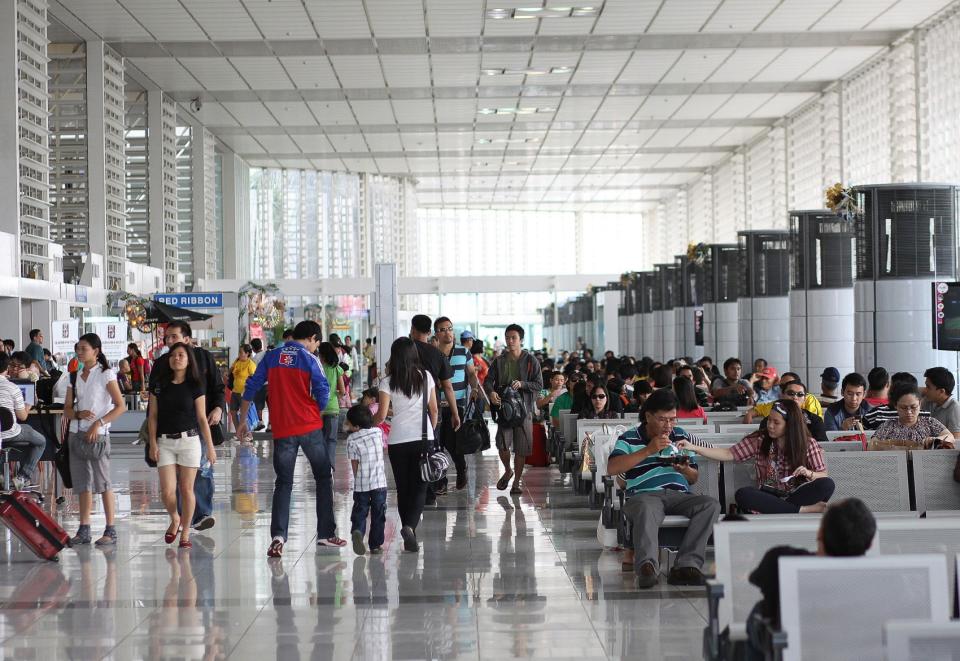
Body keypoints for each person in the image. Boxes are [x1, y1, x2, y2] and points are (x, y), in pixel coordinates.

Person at [237, 320, 340, 558]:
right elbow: (323, 390)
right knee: (323, 476)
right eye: (317, 343)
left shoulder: (272, 356)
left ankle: (278, 537)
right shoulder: (309, 358)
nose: (316, 348)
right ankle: (325, 533)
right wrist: (315, 410)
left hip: (282, 429)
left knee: (284, 482)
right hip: (309, 426)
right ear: (313, 338)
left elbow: (251, 387)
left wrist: (243, 420)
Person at [608, 389, 721, 588]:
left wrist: (685, 469)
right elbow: (613, 468)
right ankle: (647, 566)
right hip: (644, 496)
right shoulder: (629, 438)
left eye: (673, 419)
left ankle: (686, 566)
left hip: (678, 495)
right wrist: (649, 450)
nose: (669, 426)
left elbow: (694, 477)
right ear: (648, 416)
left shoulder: (680, 435)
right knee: (645, 507)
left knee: (710, 505)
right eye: (663, 419)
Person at [744, 498, 877, 661]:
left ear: (819, 533)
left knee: (760, 614)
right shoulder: (888, 582)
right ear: (870, 544)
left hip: (795, 650)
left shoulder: (782, 559)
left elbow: (756, 580)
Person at [682, 399, 834, 513]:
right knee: (743, 495)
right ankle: (803, 510)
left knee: (827, 484)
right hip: (768, 496)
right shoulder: (760, 440)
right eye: (769, 420)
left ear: (790, 425)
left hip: (797, 494)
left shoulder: (807, 444)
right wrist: (694, 447)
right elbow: (728, 453)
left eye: (776, 422)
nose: (770, 425)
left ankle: (789, 508)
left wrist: (809, 473)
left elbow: (823, 475)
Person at [150, 322, 225, 532]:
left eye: (174, 337)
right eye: (167, 338)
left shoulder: (204, 358)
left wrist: (218, 408)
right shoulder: (162, 364)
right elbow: (154, 402)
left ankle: (200, 514)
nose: (170, 342)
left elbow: (218, 388)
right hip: (168, 428)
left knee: (201, 471)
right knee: (171, 480)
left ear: (187, 338)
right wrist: (151, 437)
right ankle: (181, 516)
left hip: (200, 424)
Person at [372, 337, 438, 553]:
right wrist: (430, 431)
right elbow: (434, 410)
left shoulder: (387, 381)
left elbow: (381, 415)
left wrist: (366, 425)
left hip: (398, 440)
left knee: (403, 487)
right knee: (420, 485)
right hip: (423, 437)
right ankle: (410, 527)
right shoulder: (426, 377)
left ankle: (408, 528)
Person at [64, 333, 126, 546]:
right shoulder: (73, 375)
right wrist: (78, 414)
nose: (79, 353)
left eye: (84, 349)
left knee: (103, 482)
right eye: (78, 349)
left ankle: (111, 529)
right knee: (82, 484)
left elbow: (120, 406)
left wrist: (98, 423)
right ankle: (84, 528)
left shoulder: (106, 374)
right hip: (76, 434)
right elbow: (67, 410)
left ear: (96, 351)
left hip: (98, 436)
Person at [485, 324, 543, 495]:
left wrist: (523, 384)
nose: (510, 341)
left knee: (521, 448)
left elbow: (539, 384)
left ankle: (516, 482)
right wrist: (491, 392)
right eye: (507, 337)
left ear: (521, 340)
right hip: (504, 410)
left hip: (524, 411)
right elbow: (488, 380)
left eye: (514, 338)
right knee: (502, 444)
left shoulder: (531, 361)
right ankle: (507, 470)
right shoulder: (499, 361)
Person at [434, 316, 480, 492]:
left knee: (454, 444)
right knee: (438, 445)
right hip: (436, 406)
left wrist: (474, 389)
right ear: (436, 333)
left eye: (450, 328)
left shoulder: (463, 352)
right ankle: (441, 481)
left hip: (458, 404)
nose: (448, 333)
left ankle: (461, 468)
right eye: (443, 329)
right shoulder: (433, 353)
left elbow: (471, 374)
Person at [0, 352, 50, 489]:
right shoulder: (12, 387)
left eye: (18, 366)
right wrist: (28, 404)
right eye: (12, 365)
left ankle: (1, 476)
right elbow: (23, 417)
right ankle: (23, 476)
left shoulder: (27, 380)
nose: (15, 369)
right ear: (6, 367)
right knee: (41, 441)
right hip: (10, 432)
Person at [344, 404, 386, 556]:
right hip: (379, 483)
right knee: (378, 514)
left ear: (355, 426)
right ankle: (375, 545)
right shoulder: (377, 433)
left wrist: (357, 478)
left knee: (360, 511)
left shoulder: (351, 440)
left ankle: (358, 532)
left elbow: (354, 464)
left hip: (362, 484)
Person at [874, 383, 955, 448]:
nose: (909, 412)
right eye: (903, 407)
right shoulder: (888, 426)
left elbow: (950, 436)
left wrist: (936, 440)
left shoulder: (930, 422)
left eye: (913, 407)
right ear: (895, 405)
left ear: (920, 404)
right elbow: (872, 444)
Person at [317, 342, 347, 465]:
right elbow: (343, 391)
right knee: (331, 440)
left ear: (322, 355)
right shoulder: (336, 369)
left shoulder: (317, 367)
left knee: (319, 439)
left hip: (318, 408)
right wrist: (334, 396)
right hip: (332, 408)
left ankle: (321, 466)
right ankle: (329, 466)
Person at [922, 366, 960, 440]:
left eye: (928, 387)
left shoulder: (955, 408)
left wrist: (933, 441)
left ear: (941, 391)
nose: (925, 390)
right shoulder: (929, 401)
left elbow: (956, 439)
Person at [229, 344, 257, 438]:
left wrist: (248, 389)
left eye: (241, 352)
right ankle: (239, 433)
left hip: (244, 393)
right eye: (239, 352)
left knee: (243, 415)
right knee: (233, 411)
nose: (239, 354)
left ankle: (248, 435)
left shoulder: (251, 364)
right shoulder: (237, 361)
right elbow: (231, 371)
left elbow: (254, 379)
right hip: (235, 391)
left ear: (247, 353)